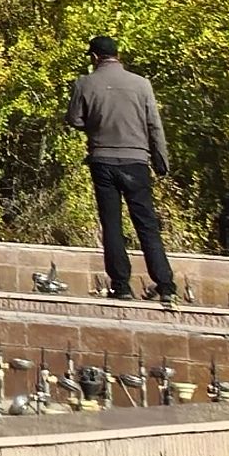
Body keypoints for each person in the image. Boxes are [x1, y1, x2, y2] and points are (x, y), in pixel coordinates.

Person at [68, 32, 178, 302]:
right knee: (146, 223)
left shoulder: (85, 83)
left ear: (95, 57)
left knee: (112, 224)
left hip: (103, 160)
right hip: (137, 161)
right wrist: (160, 159)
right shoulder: (141, 84)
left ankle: (121, 285)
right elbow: (154, 125)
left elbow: (74, 119)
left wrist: (95, 123)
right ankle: (165, 285)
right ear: (118, 55)